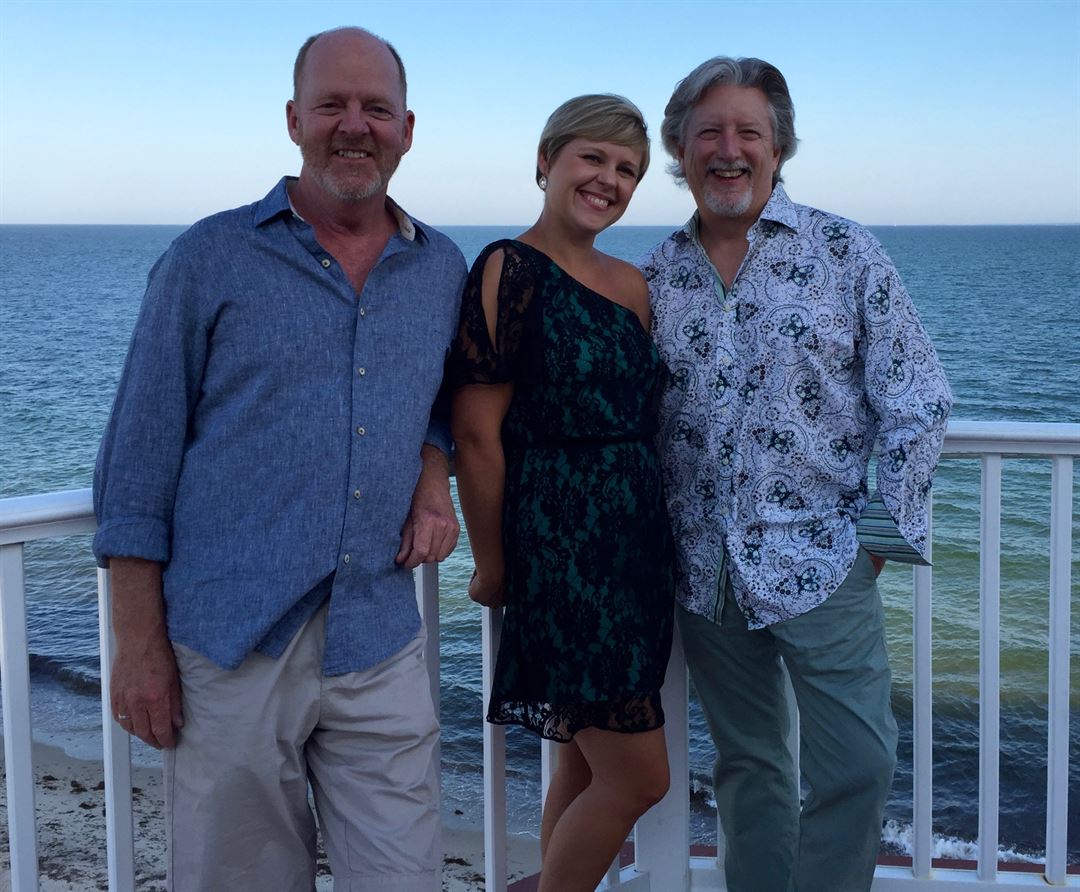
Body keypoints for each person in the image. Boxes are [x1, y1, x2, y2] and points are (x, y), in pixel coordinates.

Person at [92, 27, 466, 892]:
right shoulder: (208, 257)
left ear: (407, 129)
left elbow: (446, 399)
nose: (354, 125)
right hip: (231, 644)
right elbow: (136, 462)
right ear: (294, 120)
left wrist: (432, 474)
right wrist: (138, 647)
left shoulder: (440, 267)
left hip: (377, 635)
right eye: (332, 104)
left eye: (376, 108)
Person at [640, 57, 952, 892]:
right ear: (680, 149)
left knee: (858, 763)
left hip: (826, 560)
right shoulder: (656, 275)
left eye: (749, 132)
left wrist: (877, 540)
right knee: (749, 767)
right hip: (704, 572)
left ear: (778, 148)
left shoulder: (844, 250)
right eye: (709, 132)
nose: (728, 150)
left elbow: (919, 400)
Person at [449, 94, 674, 892]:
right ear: (546, 161)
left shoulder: (633, 285)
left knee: (584, 762)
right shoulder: (507, 269)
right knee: (641, 777)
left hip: (637, 552)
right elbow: (477, 434)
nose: (609, 180)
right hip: (563, 551)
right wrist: (492, 563)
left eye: (628, 170)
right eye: (593, 158)